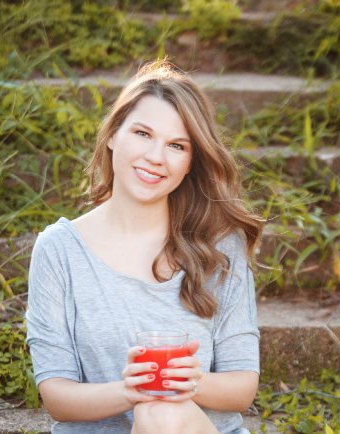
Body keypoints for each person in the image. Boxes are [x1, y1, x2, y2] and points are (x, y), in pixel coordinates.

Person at [26, 60, 264, 434]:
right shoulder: (59, 250)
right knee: (155, 409)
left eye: (176, 145)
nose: (155, 156)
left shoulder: (219, 246)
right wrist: (131, 391)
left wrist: (190, 382)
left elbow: (242, 388)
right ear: (112, 135)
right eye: (142, 133)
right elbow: (56, 395)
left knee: (164, 414)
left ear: (190, 163)